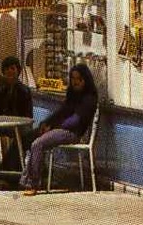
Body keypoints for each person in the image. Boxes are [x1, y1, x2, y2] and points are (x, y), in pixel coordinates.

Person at [21, 63, 99, 195]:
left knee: (37, 144)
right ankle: (27, 175)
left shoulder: (88, 99)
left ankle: (33, 184)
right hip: (60, 129)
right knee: (28, 138)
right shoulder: (72, 95)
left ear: (84, 80)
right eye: (73, 79)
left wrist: (53, 128)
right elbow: (61, 112)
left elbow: (75, 121)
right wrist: (46, 123)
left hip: (72, 133)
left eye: (78, 79)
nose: (75, 82)